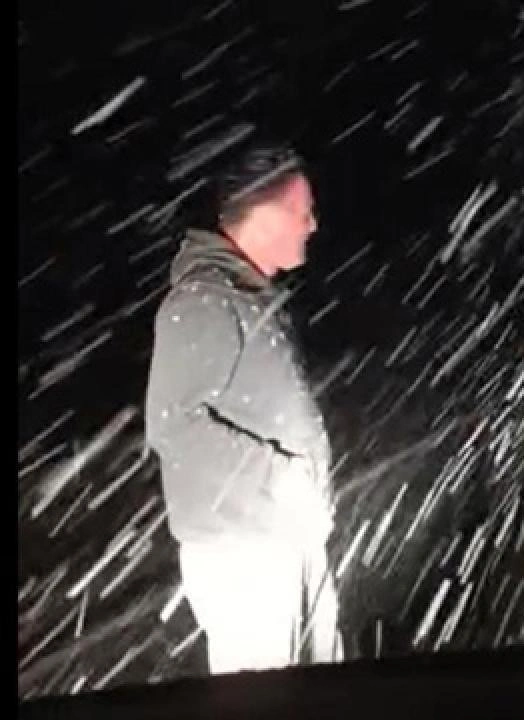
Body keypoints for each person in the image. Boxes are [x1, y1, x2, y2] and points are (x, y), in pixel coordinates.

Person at [144, 141, 342, 673]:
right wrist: (285, 485)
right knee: (266, 702)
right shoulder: (202, 302)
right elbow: (174, 426)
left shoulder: (247, 297)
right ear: (267, 215)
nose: (313, 225)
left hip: (284, 542)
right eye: (304, 212)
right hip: (247, 559)